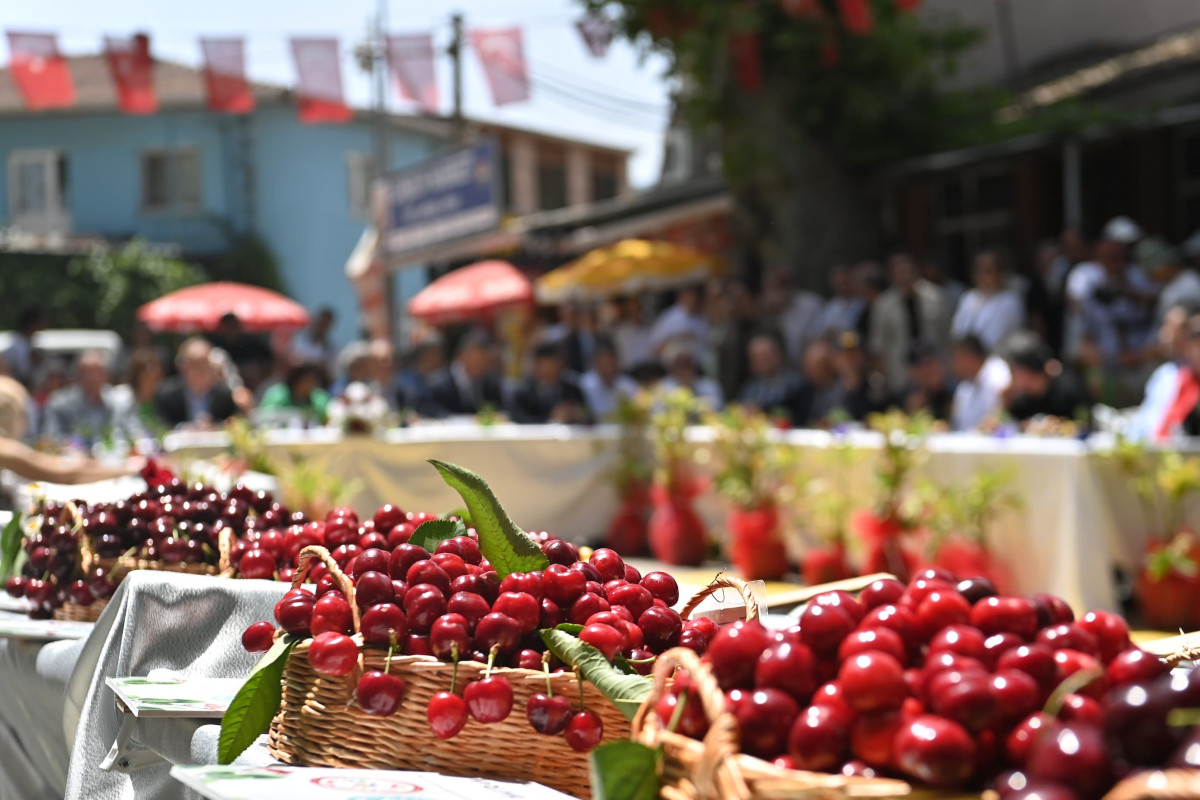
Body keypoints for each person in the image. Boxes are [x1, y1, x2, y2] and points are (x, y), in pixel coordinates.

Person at [869, 253, 950, 393]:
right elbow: (879, 346)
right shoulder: (883, 304)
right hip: (901, 374)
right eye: (899, 272)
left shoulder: (935, 296)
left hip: (936, 371)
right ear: (892, 276)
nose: (905, 276)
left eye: (907, 270)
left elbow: (948, 336)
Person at [1128, 302, 1197, 442]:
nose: (1164, 334)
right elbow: (1145, 426)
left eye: (1172, 327)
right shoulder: (1167, 374)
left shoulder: (1191, 379)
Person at [41, 350, 142, 444]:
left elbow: (133, 434)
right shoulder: (60, 403)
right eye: (87, 372)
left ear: (107, 375)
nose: (93, 377)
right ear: (78, 375)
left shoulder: (119, 403)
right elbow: (51, 439)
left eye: (98, 372)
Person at [1003, 332, 1092, 425]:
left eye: (1014, 370)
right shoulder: (1020, 398)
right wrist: (1005, 401)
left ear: (1027, 371)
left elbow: (1085, 423)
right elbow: (1010, 424)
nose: (1012, 376)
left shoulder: (1071, 391)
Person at [154, 338, 242, 429]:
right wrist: (185, 428)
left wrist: (215, 426)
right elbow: (161, 426)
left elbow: (234, 424)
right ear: (182, 367)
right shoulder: (166, 394)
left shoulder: (224, 394)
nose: (200, 370)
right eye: (194, 364)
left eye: (204, 364)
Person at [417, 331, 505, 418]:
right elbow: (430, 411)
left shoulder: (492, 383)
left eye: (484, 359)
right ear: (461, 356)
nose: (481, 364)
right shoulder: (437, 385)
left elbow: (501, 410)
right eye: (476, 358)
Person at [952, 251, 1026, 350]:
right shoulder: (968, 297)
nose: (981, 275)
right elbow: (957, 332)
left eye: (988, 271)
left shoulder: (1010, 302)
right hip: (967, 359)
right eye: (978, 271)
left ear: (1000, 274)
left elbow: (993, 338)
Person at [508, 341, 589, 424]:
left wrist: (578, 415)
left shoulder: (572, 389)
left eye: (553, 364)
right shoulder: (524, 392)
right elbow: (517, 420)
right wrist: (551, 418)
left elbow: (589, 417)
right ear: (536, 366)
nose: (549, 370)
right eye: (545, 365)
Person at [737, 334, 807, 423]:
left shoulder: (796, 385)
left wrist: (762, 410)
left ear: (779, 356)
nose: (763, 362)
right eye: (757, 359)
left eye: (766, 356)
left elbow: (792, 412)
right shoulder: (750, 388)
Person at [762, 268, 825, 366]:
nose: (773, 295)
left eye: (778, 287)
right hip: (784, 371)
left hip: (812, 364)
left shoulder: (811, 304)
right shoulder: (767, 312)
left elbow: (820, 339)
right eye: (770, 289)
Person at [950, 335, 1012, 432]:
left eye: (958, 358)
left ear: (968, 356)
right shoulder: (964, 387)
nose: (954, 364)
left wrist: (993, 421)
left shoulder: (997, 370)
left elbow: (1003, 409)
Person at [1137, 238, 1200, 326]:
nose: (1151, 275)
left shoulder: (1190, 284)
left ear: (1164, 265)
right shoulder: (1169, 284)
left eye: (1152, 270)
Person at [206, 313, 275, 392]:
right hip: (224, 389)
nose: (231, 330)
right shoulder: (215, 346)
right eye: (228, 326)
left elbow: (269, 363)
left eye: (233, 326)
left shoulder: (252, 344)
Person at [580, 337, 638, 421]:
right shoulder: (584, 385)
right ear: (595, 364)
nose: (606, 369)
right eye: (602, 364)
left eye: (609, 363)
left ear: (616, 362)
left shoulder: (629, 386)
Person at [659, 339, 724, 409]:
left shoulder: (710, 386)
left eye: (687, 363)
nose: (685, 369)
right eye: (679, 365)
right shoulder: (663, 387)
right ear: (671, 369)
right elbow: (658, 412)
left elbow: (719, 409)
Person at [258, 362, 330, 424]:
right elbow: (263, 417)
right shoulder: (277, 395)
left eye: (312, 380)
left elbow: (328, 418)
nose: (308, 384)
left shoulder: (319, 398)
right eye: (305, 381)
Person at [900, 342, 954, 422]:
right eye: (925, 366)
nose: (932, 370)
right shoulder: (908, 396)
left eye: (933, 363)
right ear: (914, 372)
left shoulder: (953, 393)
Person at [649, 285, 708, 355]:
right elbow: (654, 345)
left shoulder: (702, 318)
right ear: (682, 297)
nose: (692, 300)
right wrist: (676, 340)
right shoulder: (669, 317)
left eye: (694, 297)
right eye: (689, 296)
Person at [816, 264, 866, 339]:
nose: (843, 287)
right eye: (838, 283)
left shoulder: (865, 304)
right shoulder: (829, 308)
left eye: (845, 282)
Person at [121, 348, 165, 432]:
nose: (153, 376)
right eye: (147, 373)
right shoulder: (124, 399)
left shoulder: (163, 399)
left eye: (156, 371)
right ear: (137, 375)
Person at [290, 307, 338, 381]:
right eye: (321, 322)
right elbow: (292, 361)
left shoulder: (332, 349)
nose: (322, 327)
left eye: (326, 324)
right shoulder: (300, 340)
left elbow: (332, 372)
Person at [612, 296, 655, 377]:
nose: (635, 310)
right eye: (631, 307)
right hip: (631, 372)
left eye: (638, 307)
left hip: (651, 369)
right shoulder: (620, 331)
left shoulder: (650, 327)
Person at [5, 307, 47, 388]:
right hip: (20, 387)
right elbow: (24, 373)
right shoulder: (17, 345)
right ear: (33, 323)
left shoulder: (28, 343)